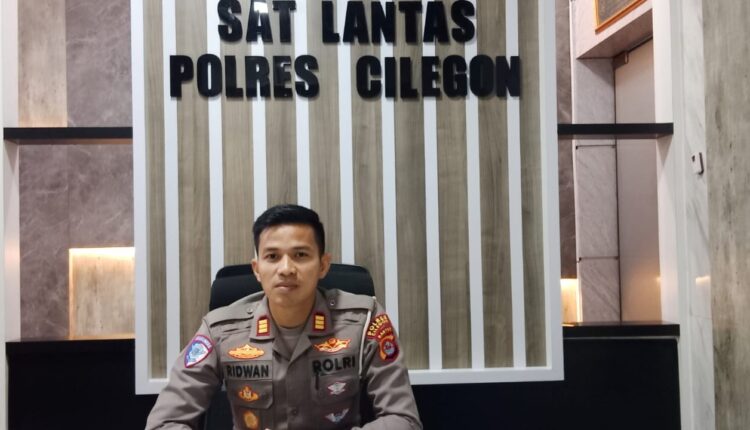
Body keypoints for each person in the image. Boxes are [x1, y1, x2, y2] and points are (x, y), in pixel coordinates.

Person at [146, 204, 422, 429]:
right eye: (272, 256)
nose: (286, 268)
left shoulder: (365, 322)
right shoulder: (220, 330)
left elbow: (403, 420)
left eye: (300, 255)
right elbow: (164, 423)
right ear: (257, 269)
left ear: (323, 265)